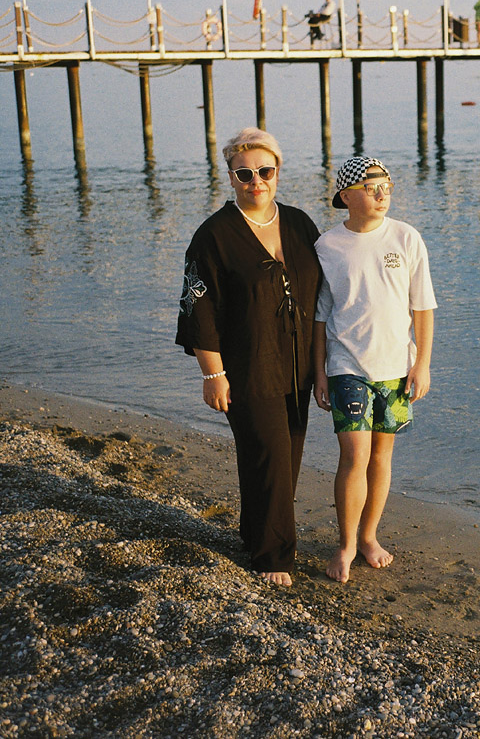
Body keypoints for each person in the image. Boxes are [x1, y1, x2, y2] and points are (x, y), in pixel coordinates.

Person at [176, 128, 322, 588]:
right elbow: (198, 308)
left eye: (265, 171)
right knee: (269, 456)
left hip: (297, 363)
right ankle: (272, 556)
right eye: (244, 174)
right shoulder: (213, 236)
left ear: (277, 172)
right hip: (246, 366)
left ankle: (253, 533)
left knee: (286, 457)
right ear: (230, 177)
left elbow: (328, 293)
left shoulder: (299, 224)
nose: (255, 181)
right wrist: (212, 374)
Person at [313, 156, 437, 584]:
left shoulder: (406, 237)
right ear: (346, 196)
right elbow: (319, 317)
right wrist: (319, 372)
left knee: (382, 457)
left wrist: (422, 364)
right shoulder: (327, 246)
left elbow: (423, 307)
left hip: (396, 367)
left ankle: (369, 537)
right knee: (354, 455)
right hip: (346, 365)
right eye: (371, 187)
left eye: (387, 186)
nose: (382, 194)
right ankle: (346, 544)